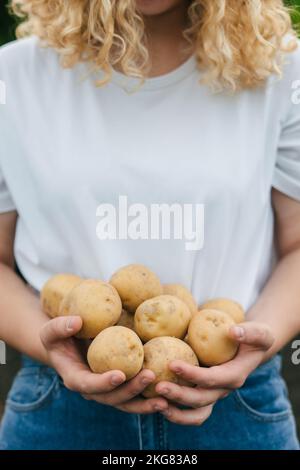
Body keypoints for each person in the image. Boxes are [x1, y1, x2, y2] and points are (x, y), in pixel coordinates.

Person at [0, 0, 299, 450]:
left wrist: (253, 343)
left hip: (241, 400)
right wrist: (57, 353)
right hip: (59, 400)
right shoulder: (14, 78)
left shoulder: (279, 69)